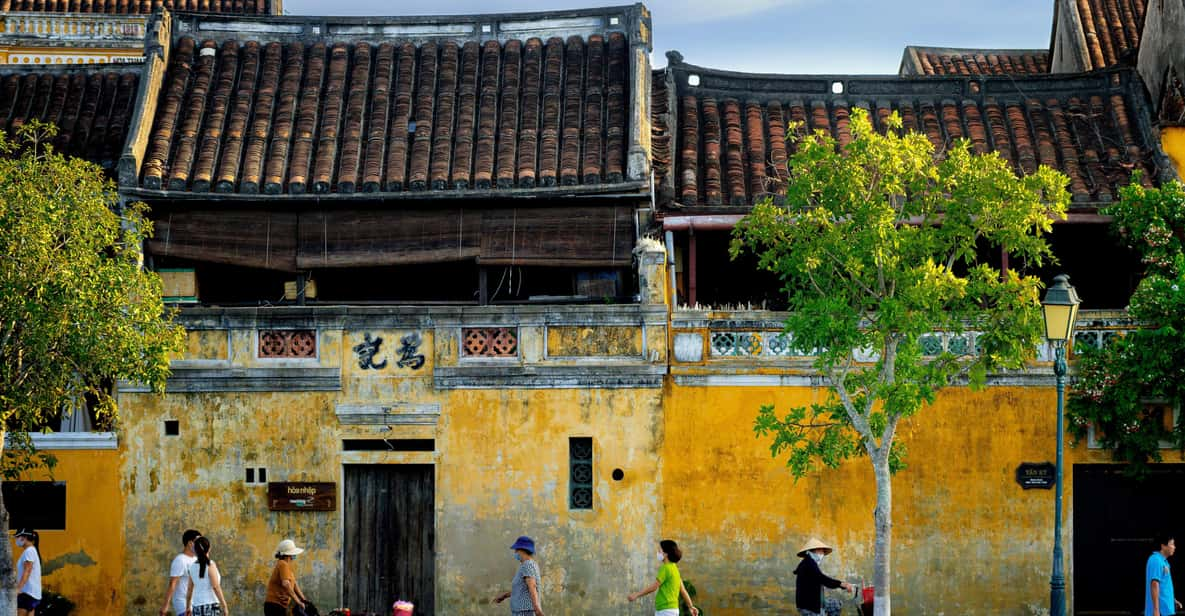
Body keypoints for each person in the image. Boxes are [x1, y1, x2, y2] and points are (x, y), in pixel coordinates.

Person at [627, 539, 699, 616]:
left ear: (665, 554)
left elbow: (654, 587)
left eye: (659, 550)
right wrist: (691, 607)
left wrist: (636, 595)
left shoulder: (665, 568)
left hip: (665, 610)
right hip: (673, 610)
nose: (657, 552)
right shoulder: (674, 568)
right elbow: (683, 590)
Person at [793, 538, 853, 616]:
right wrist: (842, 584)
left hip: (810, 602)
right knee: (834, 606)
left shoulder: (808, 562)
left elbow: (819, 579)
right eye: (822, 551)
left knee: (836, 605)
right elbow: (823, 579)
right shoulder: (809, 563)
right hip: (809, 605)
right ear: (815, 550)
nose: (823, 554)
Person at [492, 536, 544, 616]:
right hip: (521, 611)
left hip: (525, 611)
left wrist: (537, 609)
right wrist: (504, 596)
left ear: (523, 550)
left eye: (517, 549)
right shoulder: (525, 565)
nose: (515, 552)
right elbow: (521, 590)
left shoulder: (528, 565)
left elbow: (532, 586)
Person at [162, 529, 202, 616]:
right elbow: (172, 584)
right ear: (190, 543)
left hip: (196, 605)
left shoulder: (196, 559)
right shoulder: (180, 560)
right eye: (198, 542)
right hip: (182, 605)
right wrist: (165, 606)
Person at [185, 537, 229, 616]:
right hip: (211, 606)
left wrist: (188, 606)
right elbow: (216, 587)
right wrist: (224, 606)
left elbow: (189, 589)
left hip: (196, 607)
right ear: (209, 548)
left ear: (196, 550)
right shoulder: (210, 565)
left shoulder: (192, 567)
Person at [265, 539, 308, 616]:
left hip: (279, 606)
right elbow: (286, 584)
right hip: (274, 605)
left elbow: (294, 585)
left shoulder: (287, 567)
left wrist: (304, 600)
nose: (294, 556)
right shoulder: (283, 564)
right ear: (289, 555)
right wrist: (298, 601)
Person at [1147, 533, 1183, 616]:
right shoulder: (1155, 560)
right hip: (1161, 612)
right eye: (1172, 544)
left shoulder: (1165, 562)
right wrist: (1156, 611)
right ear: (1163, 546)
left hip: (1167, 610)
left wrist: (1172, 600)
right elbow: (1154, 584)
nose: (1174, 547)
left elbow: (1164, 585)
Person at [13, 529, 41, 616]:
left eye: (17, 537)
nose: (16, 540)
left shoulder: (29, 551)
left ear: (24, 537)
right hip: (31, 593)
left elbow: (27, 571)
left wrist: (18, 589)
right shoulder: (31, 550)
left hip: (26, 593)